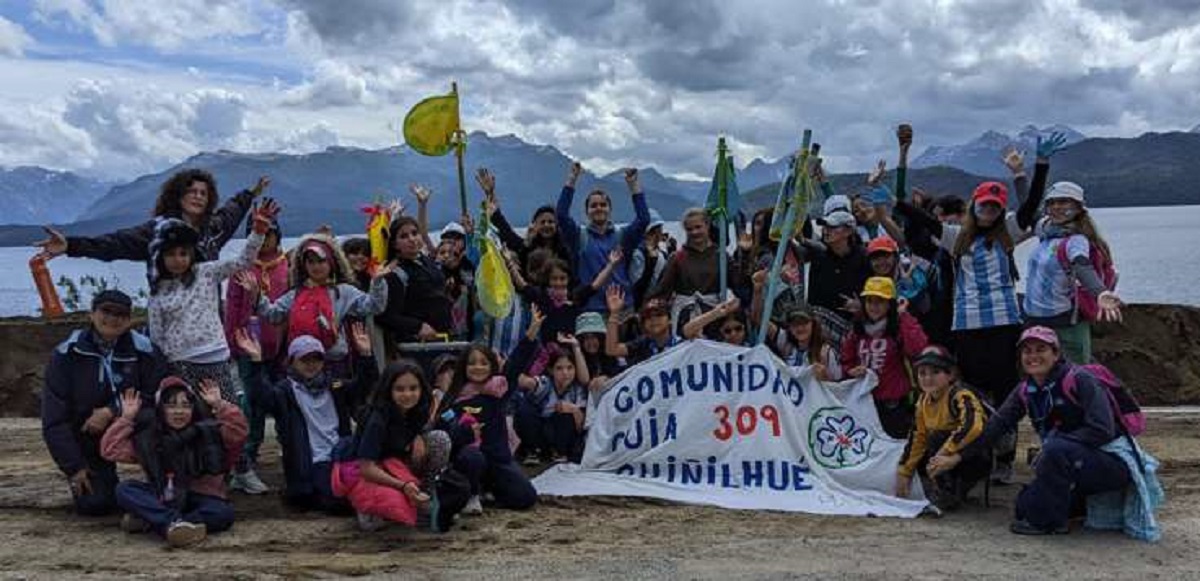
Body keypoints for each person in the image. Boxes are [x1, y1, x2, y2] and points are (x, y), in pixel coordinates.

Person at [894, 134, 1065, 482]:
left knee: (1006, 393)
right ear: (974, 205)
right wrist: (895, 191)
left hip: (1004, 324)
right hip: (967, 326)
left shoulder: (1010, 233)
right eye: (983, 205)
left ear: (1000, 210)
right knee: (971, 394)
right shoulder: (955, 236)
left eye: (994, 207)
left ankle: (1003, 457)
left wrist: (1035, 167)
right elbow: (912, 212)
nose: (988, 211)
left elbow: (1031, 204)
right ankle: (975, 455)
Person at [957, 327, 1132, 535]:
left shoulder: (1080, 379)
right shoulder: (1026, 389)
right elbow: (997, 425)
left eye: (1041, 349)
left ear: (1056, 354)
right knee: (1023, 508)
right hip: (1070, 460)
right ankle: (1074, 507)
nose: (1033, 356)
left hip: (1110, 461)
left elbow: (1102, 430)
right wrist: (959, 455)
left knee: (1055, 454)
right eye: (1027, 351)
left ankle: (1050, 523)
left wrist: (1057, 446)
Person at [41, 290, 167, 516]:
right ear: (91, 314)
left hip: (134, 425)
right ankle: (112, 487)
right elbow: (54, 419)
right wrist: (74, 467)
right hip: (88, 435)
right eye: (105, 311)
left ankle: (162, 484)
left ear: (129, 320)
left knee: (152, 418)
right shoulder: (65, 355)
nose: (112, 318)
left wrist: (112, 410)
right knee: (95, 504)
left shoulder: (146, 351)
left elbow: (159, 392)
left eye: (120, 314)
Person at [147, 202, 276, 405]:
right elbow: (156, 334)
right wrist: (170, 359)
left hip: (215, 356)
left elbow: (242, 262)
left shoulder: (205, 272)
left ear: (191, 255)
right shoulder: (158, 291)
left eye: (183, 254)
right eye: (170, 254)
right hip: (181, 363)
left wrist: (258, 232)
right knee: (190, 415)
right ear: (160, 258)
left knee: (228, 413)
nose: (177, 260)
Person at [240, 325, 378, 512]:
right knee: (339, 501)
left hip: (342, 455)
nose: (311, 364)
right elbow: (259, 396)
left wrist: (366, 355)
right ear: (291, 362)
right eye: (305, 359)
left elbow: (365, 385)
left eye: (316, 359)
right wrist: (255, 361)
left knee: (367, 485)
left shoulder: (335, 386)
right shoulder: (284, 392)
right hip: (311, 463)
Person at [103, 378, 247, 548]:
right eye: (171, 405)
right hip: (165, 494)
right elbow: (110, 449)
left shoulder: (208, 431)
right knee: (125, 489)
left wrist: (219, 404)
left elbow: (239, 431)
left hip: (201, 497)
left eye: (186, 405)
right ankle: (173, 523)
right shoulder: (151, 438)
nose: (179, 412)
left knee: (223, 513)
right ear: (161, 409)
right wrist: (126, 418)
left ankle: (156, 522)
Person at [35, 171, 269, 264]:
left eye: (203, 193)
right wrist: (71, 245)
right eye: (191, 191)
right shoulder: (157, 231)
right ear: (177, 196)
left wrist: (250, 195)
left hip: (208, 330)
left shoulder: (213, 229)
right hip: (168, 327)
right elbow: (115, 244)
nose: (197, 197)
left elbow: (232, 211)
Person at [255, 232, 388, 378]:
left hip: (334, 362)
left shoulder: (343, 292)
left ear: (331, 262)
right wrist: (256, 294)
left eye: (321, 261)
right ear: (303, 265)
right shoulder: (295, 294)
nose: (316, 266)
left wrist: (378, 282)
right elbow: (273, 315)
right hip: (301, 362)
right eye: (310, 262)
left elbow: (374, 306)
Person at [342, 361, 455, 531]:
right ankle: (368, 505)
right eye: (400, 389)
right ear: (388, 390)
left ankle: (426, 492)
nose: (407, 394)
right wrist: (402, 486)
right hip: (369, 471)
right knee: (381, 516)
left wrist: (418, 435)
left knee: (439, 439)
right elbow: (366, 468)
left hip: (398, 464)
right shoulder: (377, 420)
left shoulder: (419, 410)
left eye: (413, 388)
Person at [224, 206, 289, 495]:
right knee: (252, 404)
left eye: (270, 234)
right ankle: (247, 461)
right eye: (260, 235)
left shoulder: (288, 265)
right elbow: (231, 308)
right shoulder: (242, 267)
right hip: (249, 344)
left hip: (281, 345)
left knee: (284, 400)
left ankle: (291, 452)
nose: (266, 241)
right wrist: (233, 341)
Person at [1024, 181, 1122, 363]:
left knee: (1075, 377)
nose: (1056, 207)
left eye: (1063, 202)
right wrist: (1019, 173)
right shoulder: (1047, 231)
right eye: (1051, 203)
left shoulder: (1076, 240)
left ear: (1078, 207)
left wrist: (1099, 292)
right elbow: (1028, 206)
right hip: (1036, 320)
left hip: (1065, 323)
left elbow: (1082, 265)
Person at [439, 341, 539, 513]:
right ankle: (471, 494)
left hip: (497, 461)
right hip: (468, 462)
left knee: (525, 497)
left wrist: (529, 337)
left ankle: (489, 489)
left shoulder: (498, 392)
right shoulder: (453, 398)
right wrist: (465, 433)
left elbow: (514, 366)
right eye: (472, 363)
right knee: (472, 457)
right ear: (463, 366)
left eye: (483, 363)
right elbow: (442, 433)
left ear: (492, 366)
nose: (478, 367)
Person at [896, 345, 990, 512]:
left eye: (935, 372)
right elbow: (918, 437)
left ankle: (952, 491)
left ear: (950, 374)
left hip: (976, 454)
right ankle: (948, 489)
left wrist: (945, 452)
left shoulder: (961, 395)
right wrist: (905, 471)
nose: (928, 378)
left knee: (937, 439)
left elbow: (973, 427)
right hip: (946, 454)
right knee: (929, 443)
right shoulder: (923, 402)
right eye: (922, 373)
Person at [556, 163, 651, 313]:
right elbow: (561, 215)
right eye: (593, 206)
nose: (598, 208)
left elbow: (644, 219)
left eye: (603, 204)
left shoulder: (623, 236)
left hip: (623, 307)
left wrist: (633, 185)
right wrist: (572, 179)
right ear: (587, 212)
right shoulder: (578, 236)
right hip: (591, 309)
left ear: (609, 209)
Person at [841, 277, 929, 438]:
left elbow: (918, 349)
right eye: (869, 301)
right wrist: (851, 371)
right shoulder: (857, 330)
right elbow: (847, 360)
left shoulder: (899, 327)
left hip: (893, 406)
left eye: (880, 301)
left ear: (890, 304)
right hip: (864, 402)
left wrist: (904, 316)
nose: (874, 306)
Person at [514, 310, 591, 464]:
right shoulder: (546, 383)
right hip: (540, 434)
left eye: (569, 368)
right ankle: (533, 451)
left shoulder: (577, 389)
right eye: (559, 368)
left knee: (565, 415)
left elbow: (582, 426)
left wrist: (574, 410)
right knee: (524, 408)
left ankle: (559, 452)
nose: (565, 373)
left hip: (561, 437)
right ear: (551, 370)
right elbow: (531, 382)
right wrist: (521, 377)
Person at [477, 168, 573, 277]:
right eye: (542, 222)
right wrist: (490, 193)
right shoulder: (525, 246)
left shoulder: (564, 251)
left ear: (556, 225)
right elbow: (502, 226)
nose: (547, 225)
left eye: (551, 222)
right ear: (534, 225)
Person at [375, 215, 453, 343]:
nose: (412, 239)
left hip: (443, 337)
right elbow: (385, 315)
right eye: (404, 236)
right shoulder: (394, 273)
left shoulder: (427, 261)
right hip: (416, 344)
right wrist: (417, 326)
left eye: (415, 233)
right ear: (394, 244)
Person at [605, 288, 680, 366]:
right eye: (648, 316)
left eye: (659, 315)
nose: (653, 319)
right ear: (643, 324)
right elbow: (612, 350)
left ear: (670, 320)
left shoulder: (682, 343)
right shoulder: (642, 345)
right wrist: (614, 313)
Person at [629, 210, 669, 309]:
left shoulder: (662, 253)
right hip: (642, 305)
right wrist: (651, 261)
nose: (658, 234)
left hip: (659, 303)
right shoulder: (638, 254)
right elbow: (637, 287)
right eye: (654, 231)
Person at [682, 296, 749, 345]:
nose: (733, 334)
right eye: (727, 331)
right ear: (720, 331)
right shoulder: (712, 345)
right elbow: (687, 330)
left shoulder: (752, 350)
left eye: (738, 328)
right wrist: (715, 313)